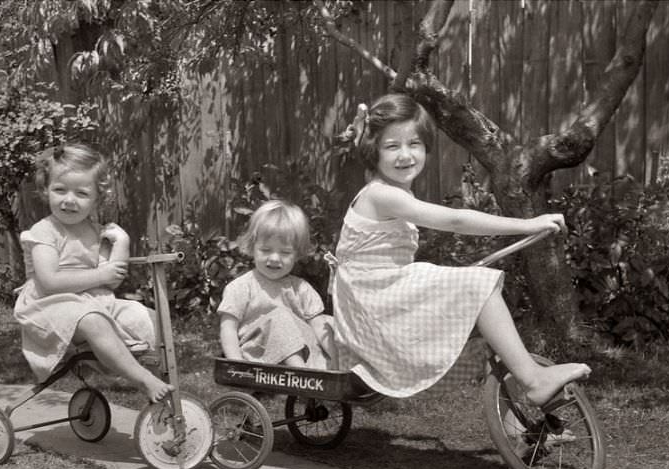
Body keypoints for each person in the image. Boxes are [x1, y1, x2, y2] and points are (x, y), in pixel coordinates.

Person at [329, 93, 590, 405]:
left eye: (414, 144)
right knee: (478, 286)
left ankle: (519, 426)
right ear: (374, 152)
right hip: (373, 303)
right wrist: (528, 224)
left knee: (481, 305)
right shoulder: (383, 195)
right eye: (391, 146)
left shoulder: (388, 190)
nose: (405, 155)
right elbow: (456, 220)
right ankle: (533, 381)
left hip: (381, 293)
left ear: (426, 146)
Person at [13, 143, 172, 403]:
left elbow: (112, 278)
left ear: (98, 197)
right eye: (60, 190)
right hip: (49, 306)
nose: (69, 200)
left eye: (82, 193)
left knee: (152, 318)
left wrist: (121, 243)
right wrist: (101, 276)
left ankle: (161, 389)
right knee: (92, 319)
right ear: (46, 190)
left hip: (94, 301)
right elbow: (49, 281)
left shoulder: (95, 231)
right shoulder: (44, 232)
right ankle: (143, 379)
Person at [218, 200, 337, 369]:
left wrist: (336, 361)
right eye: (266, 250)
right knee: (281, 317)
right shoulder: (241, 287)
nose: (274, 258)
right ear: (253, 247)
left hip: (303, 352)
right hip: (259, 357)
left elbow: (319, 327)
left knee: (328, 323)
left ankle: (328, 371)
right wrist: (236, 364)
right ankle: (300, 375)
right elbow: (228, 328)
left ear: (296, 254)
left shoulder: (301, 289)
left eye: (285, 252)